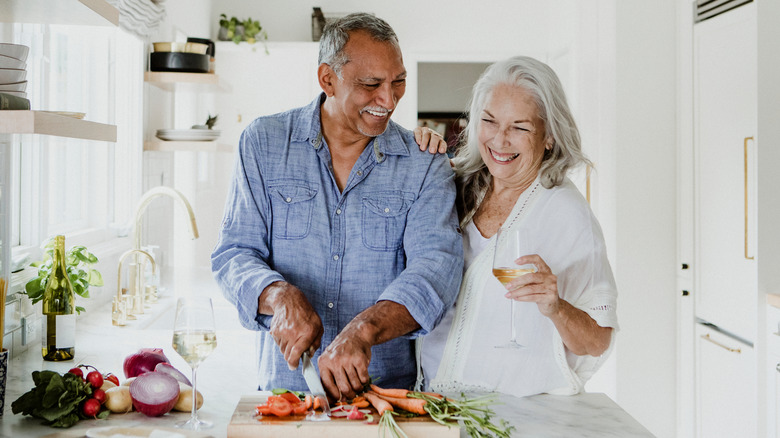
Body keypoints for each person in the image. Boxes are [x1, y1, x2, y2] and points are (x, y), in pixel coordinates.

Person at [211, 13, 463, 401]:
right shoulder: (263, 143)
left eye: (398, 82)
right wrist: (278, 296)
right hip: (285, 394)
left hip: (383, 399)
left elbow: (435, 271)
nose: (389, 100)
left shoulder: (424, 162)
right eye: (371, 84)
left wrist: (363, 330)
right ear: (327, 79)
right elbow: (234, 254)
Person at [419, 56, 618, 397]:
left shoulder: (567, 215)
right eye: (489, 121)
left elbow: (597, 340)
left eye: (520, 127)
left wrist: (556, 307)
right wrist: (416, 151)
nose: (499, 140)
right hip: (433, 402)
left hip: (514, 415)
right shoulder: (454, 185)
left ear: (549, 136)